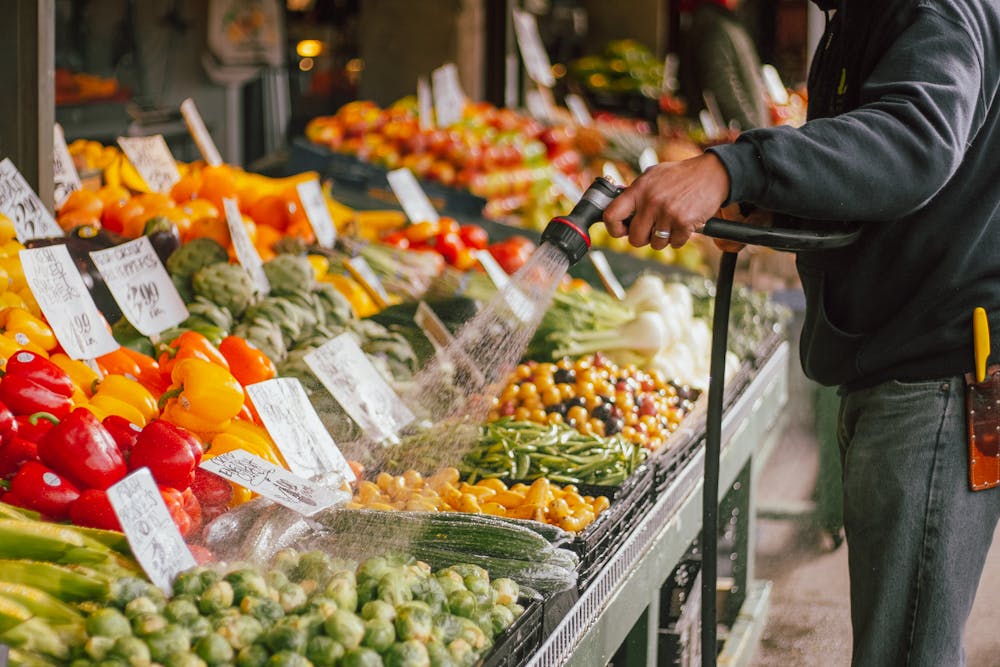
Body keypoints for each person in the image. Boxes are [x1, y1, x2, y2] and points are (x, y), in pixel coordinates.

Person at [603, 1, 1000, 665]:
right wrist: (765, 198)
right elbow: (877, 177)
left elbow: (913, 140)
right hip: (915, 364)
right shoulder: (864, 16)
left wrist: (735, 168)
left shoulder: (928, 7)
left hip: (939, 380)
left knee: (908, 650)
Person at [678, 0, 771, 131]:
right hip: (737, 142)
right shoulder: (713, 23)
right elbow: (723, 86)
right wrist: (752, 132)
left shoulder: (725, 21)